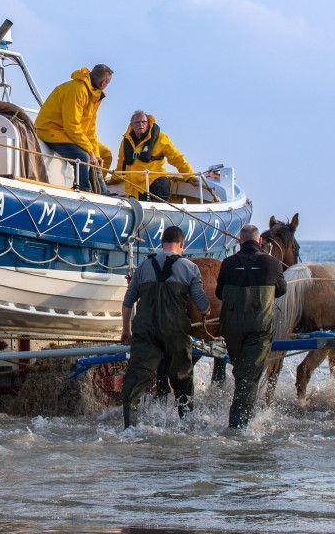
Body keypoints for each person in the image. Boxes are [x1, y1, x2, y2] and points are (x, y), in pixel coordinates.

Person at [121, 225, 210, 428]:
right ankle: (187, 428)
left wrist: (126, 330)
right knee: (182, 382)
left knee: (135, 383)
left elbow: (127, 303)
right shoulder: (190, 268)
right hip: (175, 333)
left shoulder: (143, 266)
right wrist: (205, 313)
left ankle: (129, 429)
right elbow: (202, 304)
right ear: (182, 244)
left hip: (146, 333)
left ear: (162, 244)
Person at [215, 224, 287, 429]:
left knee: (241, 372)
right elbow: (282, 290)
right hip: (259, 327)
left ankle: (240, 421)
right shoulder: (272, 263)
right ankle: (239, 426)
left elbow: (220, 293)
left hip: (232, 328)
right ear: (260, 242)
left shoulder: (228, 264)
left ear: (239, 242)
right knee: (250, 377)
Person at [35, 64, 113, 192]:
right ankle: (84, 190)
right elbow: (71, 125)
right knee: (83, 157)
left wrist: (96, 155)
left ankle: (102, 191)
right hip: (51, 130)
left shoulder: (94, 95)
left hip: (66, 132)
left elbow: (90, 130)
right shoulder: (78, 90)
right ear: (104, 82)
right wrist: (90, 151)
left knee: (100, 156)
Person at [111, 111, 196, 201]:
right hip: (134, 187)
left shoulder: (161, 138)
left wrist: (189, 176)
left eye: (143, 122)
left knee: (161, 186)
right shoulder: (125, 142)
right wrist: (114, 178)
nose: (141, 124)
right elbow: (121, 164)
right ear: (131, 125)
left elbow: (176, 157)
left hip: (155, 180)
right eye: (137, 122)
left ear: (148, 123)